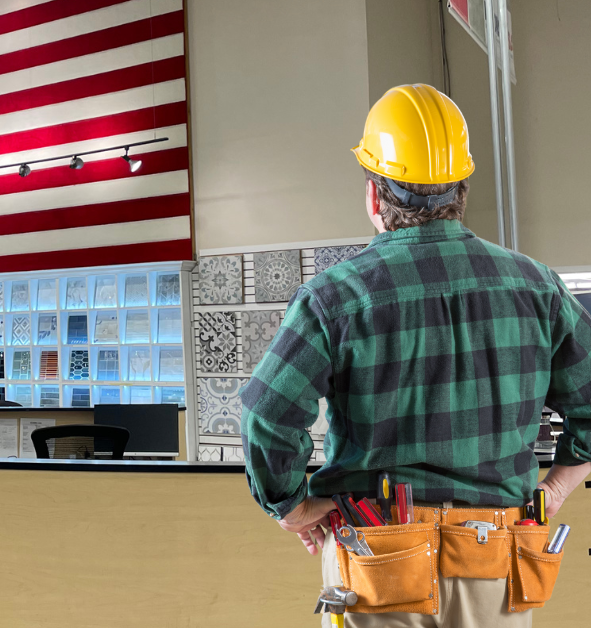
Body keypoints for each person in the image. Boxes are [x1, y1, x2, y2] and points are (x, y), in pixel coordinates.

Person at [240, 84, 591, 626]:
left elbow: (267, 414)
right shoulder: (538, 288)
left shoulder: (335, 298)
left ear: (375, 196)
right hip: (495, 561)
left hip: (376, 562)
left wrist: (291, 505)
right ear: (461, 190)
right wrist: (556, 487)